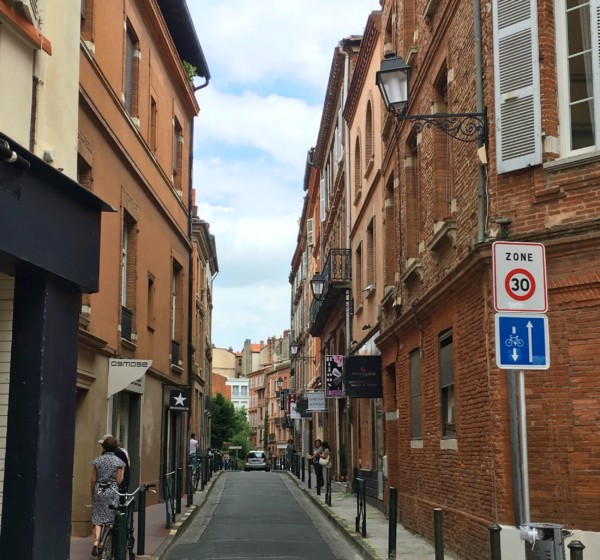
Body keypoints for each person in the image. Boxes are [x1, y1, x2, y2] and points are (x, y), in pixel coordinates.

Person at [91, 436, 125, 557]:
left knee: (98, 517)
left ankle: (96, 542)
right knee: (110, 517)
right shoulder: (119, 462)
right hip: (112, 490)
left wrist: (93, 492)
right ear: (115, 447)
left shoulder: (97, 461)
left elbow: (93, 479)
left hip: (99, 489)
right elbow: (119, 480)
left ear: (104, 447)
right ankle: (107, 542)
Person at [98, 433, 130, 499]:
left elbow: (124, 471)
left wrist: (123, 485)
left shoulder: (119, 453)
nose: (101, 446)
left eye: (102, 444)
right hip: (109, 486)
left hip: (115, 486)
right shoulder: (104, 453)